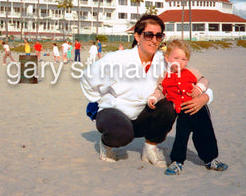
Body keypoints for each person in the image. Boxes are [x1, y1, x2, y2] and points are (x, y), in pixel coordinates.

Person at [80, 14, 213, 166]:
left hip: (145, 115)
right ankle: (106, 144)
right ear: (137, 36)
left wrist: (205, 97)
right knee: (122, 133)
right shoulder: (117, 59)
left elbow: (192, 79)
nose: (154, 40)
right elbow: (87, 77)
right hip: (115, 115)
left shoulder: (165, 61)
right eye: (149, 35)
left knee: (169, 106)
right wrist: (98, 100)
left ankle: (150, 147)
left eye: (159, 36)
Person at [148, 39, 227, 175]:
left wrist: (199, 88)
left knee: (205, 134)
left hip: (199, 109)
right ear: (167, 58)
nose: (180, 62)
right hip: (182, 111)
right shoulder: (164, 77)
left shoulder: (192, 71)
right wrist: (153, 98)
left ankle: (210, 159)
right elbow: (160, 91)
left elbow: (204, 80)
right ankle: (177, 162)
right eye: (176, 58)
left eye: (184, 59)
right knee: (181, 136)